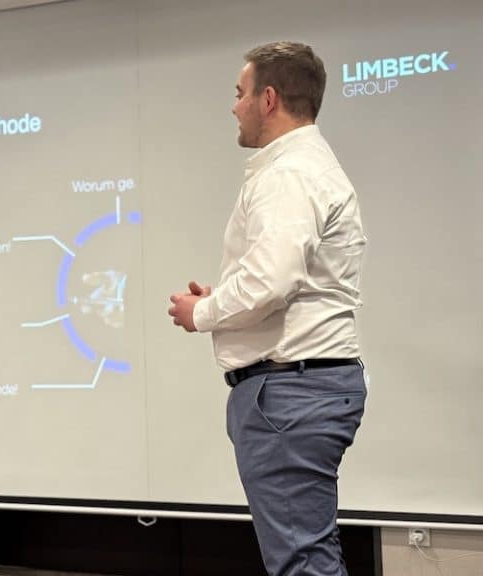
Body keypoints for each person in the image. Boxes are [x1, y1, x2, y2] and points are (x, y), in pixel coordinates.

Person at [168, 42, 367, 576]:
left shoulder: (289, 173)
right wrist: (222, 298)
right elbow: (282, 278)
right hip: (300, 389)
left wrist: (201, 313)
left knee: (302, 563)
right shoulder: (305, 166)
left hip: (289, 394)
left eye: (241, 93)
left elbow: (271, 282)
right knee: (308, 556)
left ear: (269, 99)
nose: (234, 106)